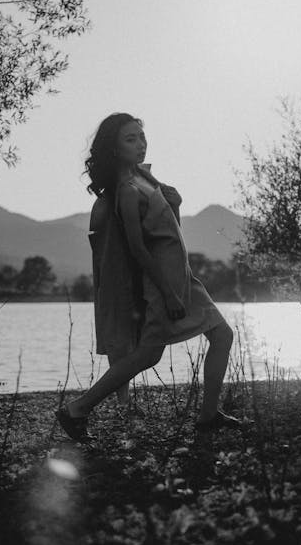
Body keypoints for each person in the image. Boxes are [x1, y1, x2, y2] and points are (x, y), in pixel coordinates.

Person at [55, 112, 241, 440]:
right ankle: (78, 408)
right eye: (130, 139)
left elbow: (172, 236)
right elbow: (138, 250)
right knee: (150, 353)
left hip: (183, 278)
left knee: (221, 337)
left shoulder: (148, 181)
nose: (140, 144)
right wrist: (167, 293)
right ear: (114, 148)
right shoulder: (127, 190)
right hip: (162, 284)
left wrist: (177, 205)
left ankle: (209, 415)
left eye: (141, 137)